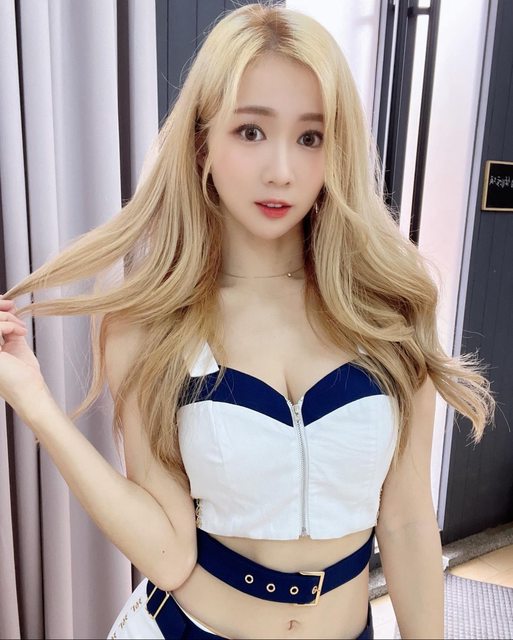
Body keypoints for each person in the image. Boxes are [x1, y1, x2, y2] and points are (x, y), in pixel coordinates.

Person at [0, 3, 495, 639]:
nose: (281, 171)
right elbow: (168, 555)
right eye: (251, 131)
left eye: (310, 138)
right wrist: (34, 401)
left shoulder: (390, 309)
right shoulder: (147, 325)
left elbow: (405, 521)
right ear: (202, 139)